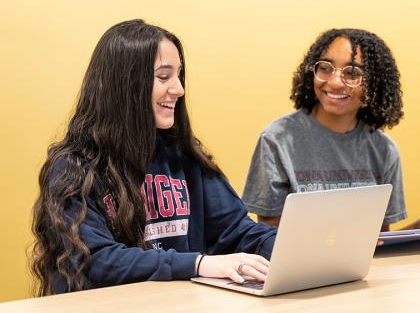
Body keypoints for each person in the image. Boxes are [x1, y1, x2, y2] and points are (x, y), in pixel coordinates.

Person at [31, 19, 276, 296]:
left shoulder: (185, 156)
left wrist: (296, 247)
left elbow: (238, 232)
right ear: (125, 85)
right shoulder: (72, 167)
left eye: (179, 75)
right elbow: (94, 260)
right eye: (163, 77)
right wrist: (197, 264)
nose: (179, 89)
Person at [242, 28, 420, 230]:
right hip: (297, 271)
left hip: (364, 272)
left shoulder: (384, 150)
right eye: (325, 68)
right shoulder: (277, 140)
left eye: (352, 73)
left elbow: (377, 245)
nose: (335, 82)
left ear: (375, 84)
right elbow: (270, 239)